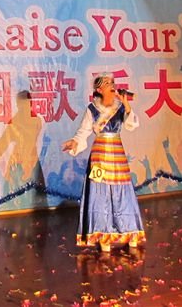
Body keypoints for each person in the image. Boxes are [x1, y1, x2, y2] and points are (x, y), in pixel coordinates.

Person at [62, 73, 145, 252]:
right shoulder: (92, 109)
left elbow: (131, 125)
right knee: (99, 192)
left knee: (122, 190)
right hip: (99, 154)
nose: (112, 85)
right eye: (107, 83)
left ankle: (129, 231)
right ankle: (102, 234)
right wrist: (74, 142)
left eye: (113, 82)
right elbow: (83, 131)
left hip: (116, 153)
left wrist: (126, 103)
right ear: (99, 89)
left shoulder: (120, 107)